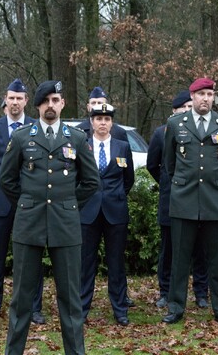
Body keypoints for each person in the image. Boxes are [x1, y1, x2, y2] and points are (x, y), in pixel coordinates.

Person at [0, 80, 99, 355]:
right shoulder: (21, 137)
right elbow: (6, 180)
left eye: (56, 100)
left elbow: (91, 182)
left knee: (70, 299)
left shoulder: (77, 138)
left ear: (63, 103)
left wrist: (68, 204)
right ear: (38, 105)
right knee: (21, 298)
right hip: (29, 223)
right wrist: (27, 203)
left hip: (65, 225)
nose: (51, 105)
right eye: (46, 101)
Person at [162, 77, 218, 325]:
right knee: (180, 260)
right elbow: (169, 165)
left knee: (217, 261)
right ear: (192, 97)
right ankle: (175, 307)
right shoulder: (175, 124)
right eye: (201, 94)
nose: (206, 98)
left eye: (210, 94)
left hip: (216, 201)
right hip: (184, 201)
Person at [0, 78, 45, 323]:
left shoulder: (36, 127)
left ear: (26, 101)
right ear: (5, 100)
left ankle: (34, 308)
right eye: (11, 98)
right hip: (0, 203)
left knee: (32, 258)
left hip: (29, 201)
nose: (15, 102)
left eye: (19, 98)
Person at [146, 90, 209, 309]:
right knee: (169, 250)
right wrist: (170, 185)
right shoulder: (161, 133)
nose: (186, 112)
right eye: (182, 109)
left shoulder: (202, 133)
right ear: (173, 111)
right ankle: (166, 291)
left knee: (200, 249)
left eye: (189, 108)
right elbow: (153, 166)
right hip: (171, 200)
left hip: (197, 201)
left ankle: (201, 292)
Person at [77, 86, 134, 308]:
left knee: (116, 262)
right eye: (98, 118)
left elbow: (128, 179)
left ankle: (119, 307)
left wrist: (116, 196)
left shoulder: (122, 146)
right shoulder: (82, 145)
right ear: (91, 121)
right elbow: (77, 178)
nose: (103, 123)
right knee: (85, 262)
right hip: (88, 212)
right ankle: (82, 307)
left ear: (112, 123)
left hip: (115, 212)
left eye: (107, 119)